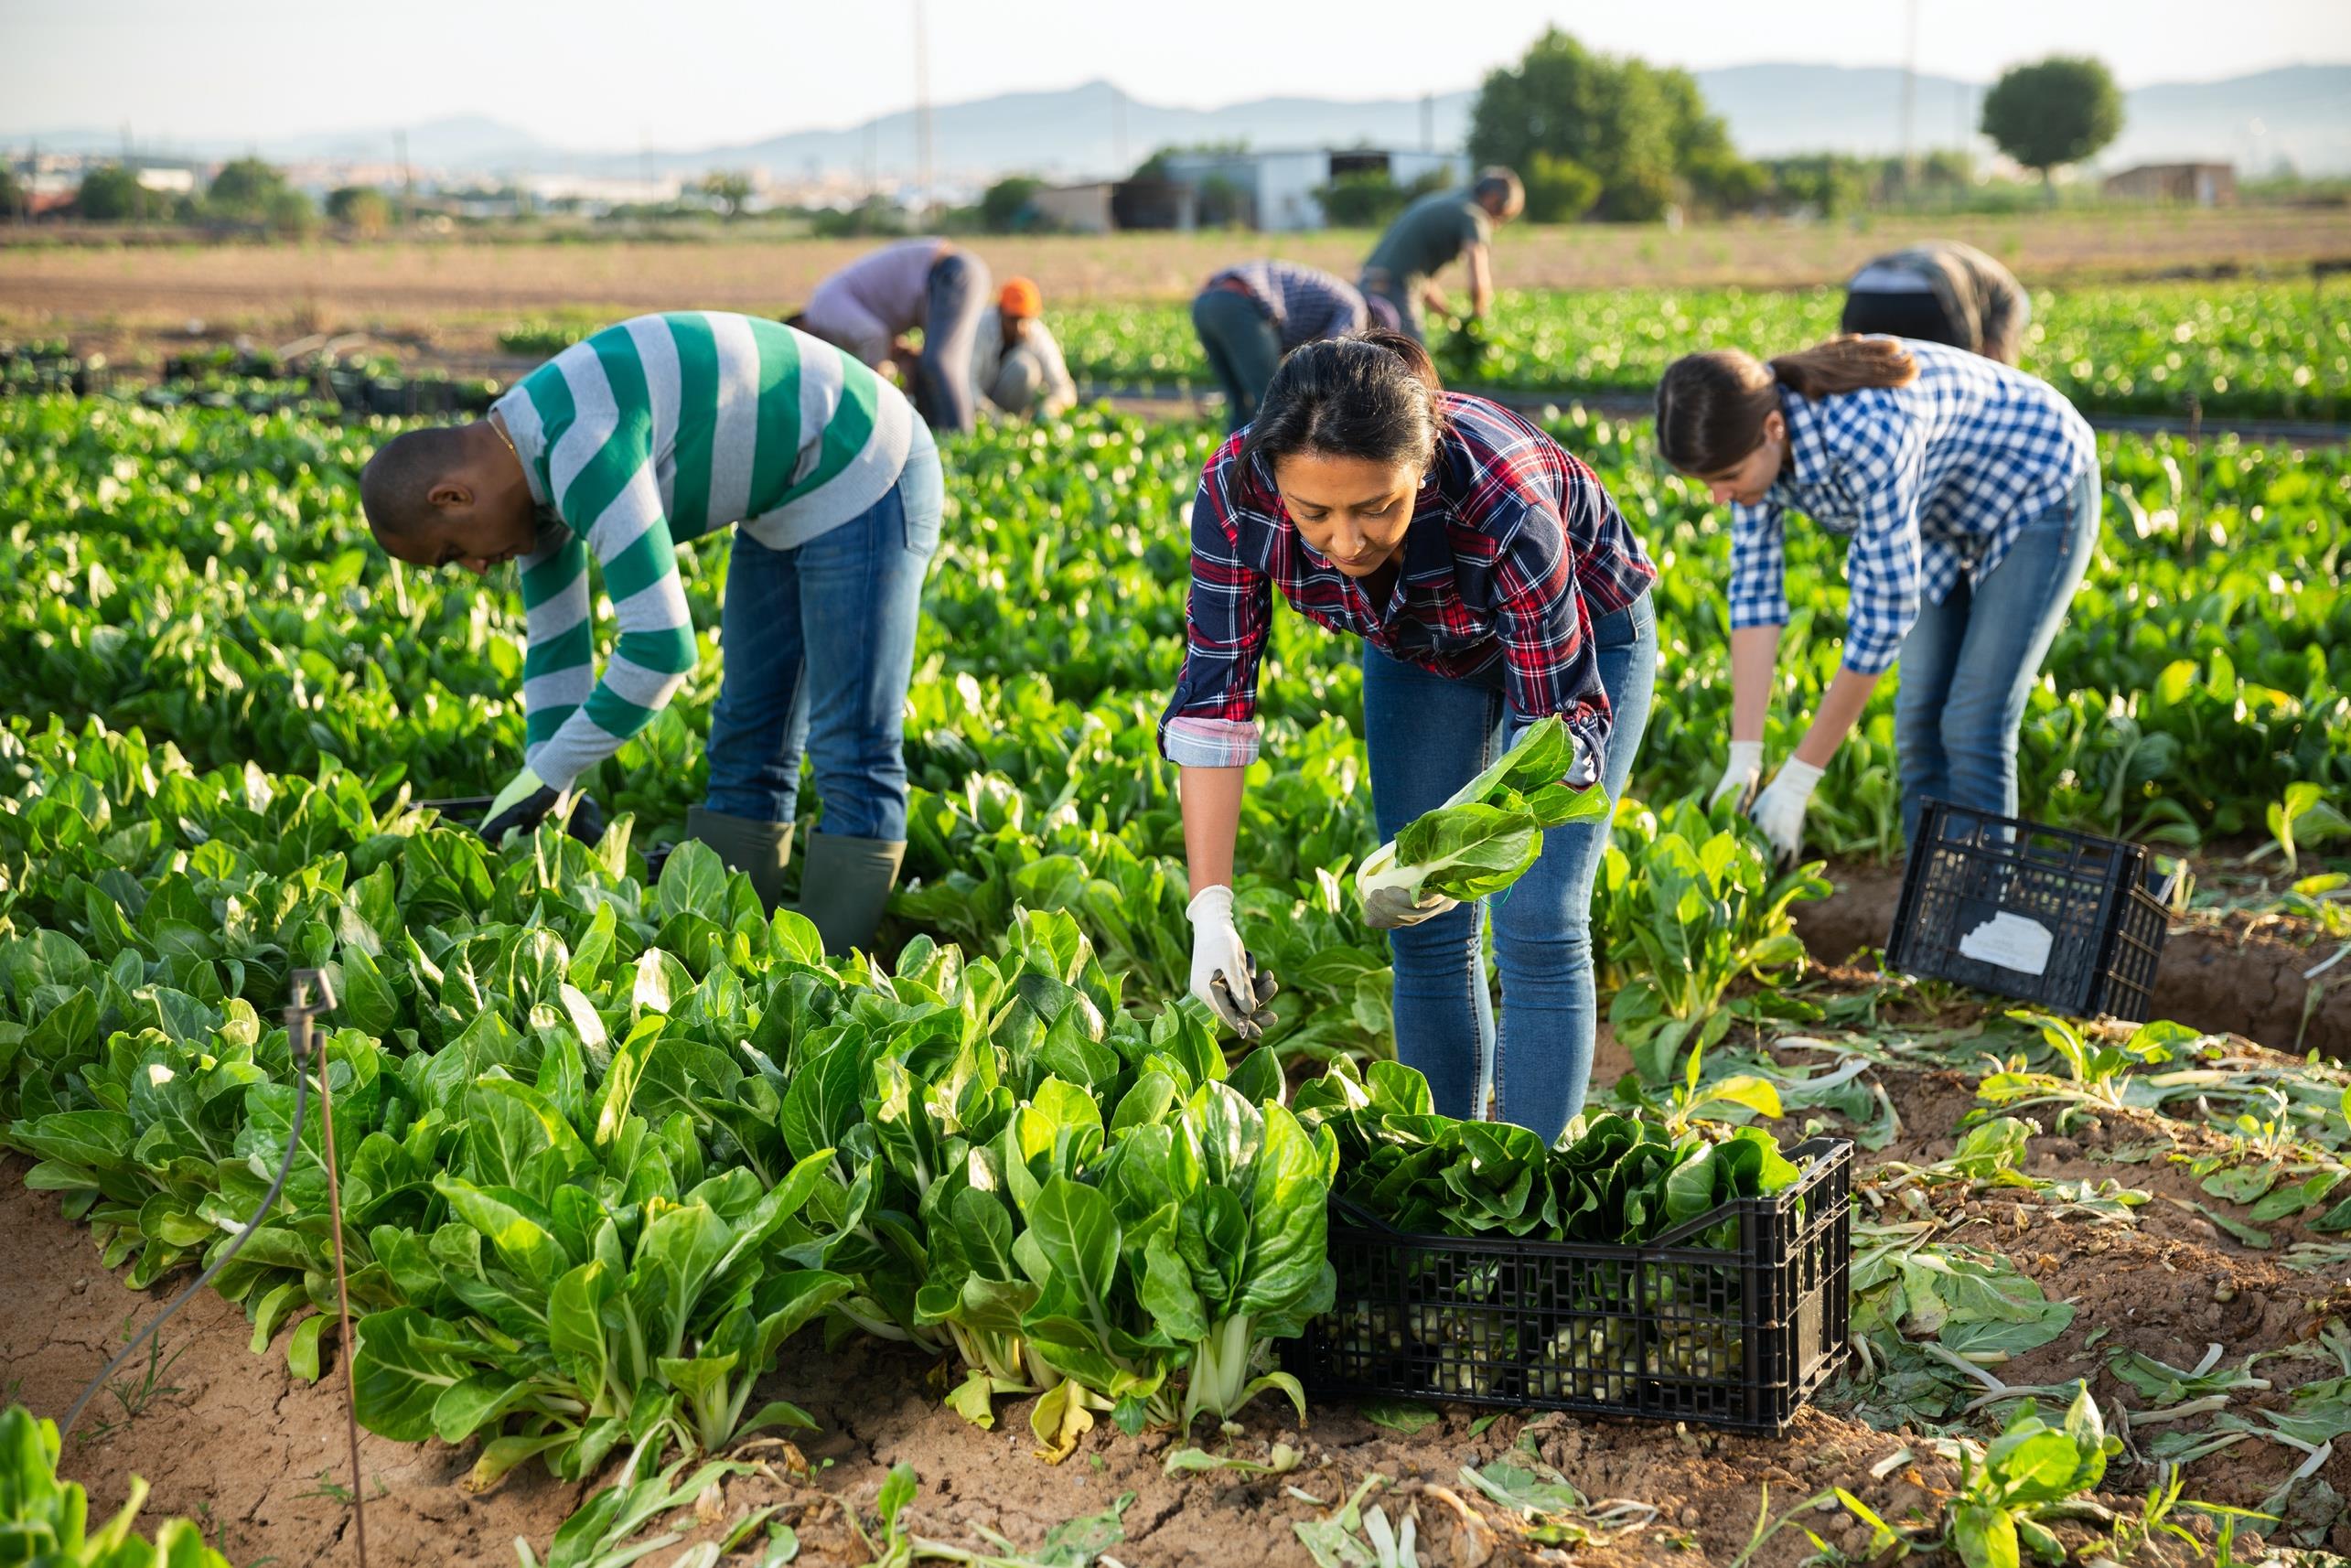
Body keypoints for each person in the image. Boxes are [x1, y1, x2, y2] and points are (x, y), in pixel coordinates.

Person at [1161, 332, 1658, 1144]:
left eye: (1374, 508)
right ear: (1274, 478)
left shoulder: (1503, 502)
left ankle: (1532, 1188)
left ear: (1421, 468)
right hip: (1423, 643)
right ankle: (1448, 1172)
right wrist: (1209, 911)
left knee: (1538, 919)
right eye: (1314, 513)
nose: (1345, 542)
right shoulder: (1232, 491)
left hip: (1581, 639)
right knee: (1421, 924)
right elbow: (1217, 699)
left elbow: (1555, 738)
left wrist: (1469, 847)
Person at [357, 311, 941, 955]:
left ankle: (835, 978)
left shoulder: (577, 445)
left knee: (850, 744)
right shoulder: (523, 464)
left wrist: (548, 775)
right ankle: (734, 965)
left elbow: (662, 649)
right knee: (748, 734)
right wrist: (553, 792)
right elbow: (557, 650)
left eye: (452, 553)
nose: (475, 568)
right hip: (781, 498)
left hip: (865, 462)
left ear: (452, 498)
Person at [1654, 335, 2098, 861]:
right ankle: (1928, 896)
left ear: (1774, 429)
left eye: (1727, 478)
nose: (1719, 497)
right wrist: (1744, 755)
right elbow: (1754, 592)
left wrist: (1799, 779)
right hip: (1939, 513)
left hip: (2038, 485)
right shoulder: (1752, 441)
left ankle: (1980, 901)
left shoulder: (1866, 432)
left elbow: (1884, 619)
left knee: (1973, 723)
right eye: (1708, 483)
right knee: (1917, 720)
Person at [796, 238, 993, 433]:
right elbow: (883, 336)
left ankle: (963, 437)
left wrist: (874, 392)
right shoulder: (830, 314)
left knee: (940, 361)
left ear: (800, 329)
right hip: (948, 277)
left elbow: (874, 335)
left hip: (950, 273)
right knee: (928, 366)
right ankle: (938, 434)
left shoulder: (820, 308)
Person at [1189, 259, 1398, 432]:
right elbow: (1336, 355)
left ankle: (1231, 462)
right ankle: (1262, 463)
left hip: (1204, 305)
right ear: (1373, 327)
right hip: (1239, 305)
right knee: (1272, 399)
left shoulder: (1337, 295)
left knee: (1240, 401)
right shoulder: (1356, 306)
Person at [1358, 167, 1523, 345]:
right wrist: (1479, 319)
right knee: (1412, 357)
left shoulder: (1447, 202)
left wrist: (1450, 318)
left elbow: (1421, 279)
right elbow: (1478, 279)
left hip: (1367, 285)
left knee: (1371, 354)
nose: (1497, 226)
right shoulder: (1474, 215)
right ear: (1492, 199)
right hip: (1395, 291)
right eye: (1501, 218)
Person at [1841, 240, 2030, 366]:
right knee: (1958, 370)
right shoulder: (2011, 297)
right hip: (1928, 290)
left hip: (1864, 288)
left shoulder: (1979, 268)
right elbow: (1996, 358)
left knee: (1861, 371)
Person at [971, 276, 1077, 419]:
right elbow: (967, 383)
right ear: (1000, 311)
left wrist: (1052, 407)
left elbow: (1064, 387)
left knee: (1026, 368)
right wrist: (991, 414)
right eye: (1012, 319)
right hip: (976, 406)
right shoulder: (981, 327)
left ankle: (1016, 419)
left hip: (1010, 404)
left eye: (1024, 319)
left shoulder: (1038, 335)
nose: (1019, 327)